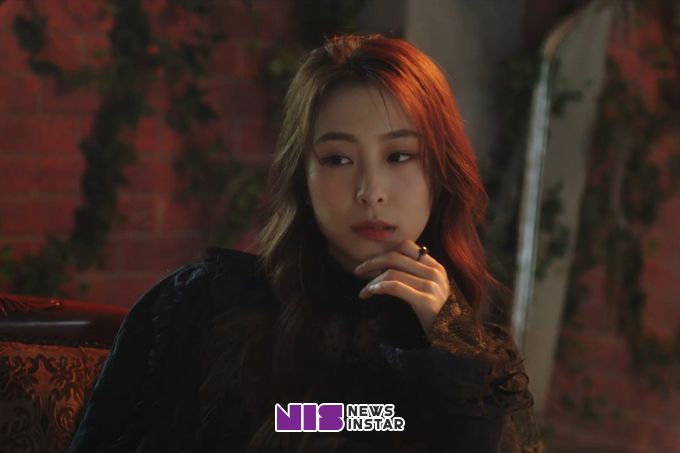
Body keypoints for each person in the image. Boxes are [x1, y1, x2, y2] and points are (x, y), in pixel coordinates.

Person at [68, 33, 546, 453]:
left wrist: (451, 352)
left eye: (400, 156)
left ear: (440, 172)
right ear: (302, 178)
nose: (370, 192)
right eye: (338, 159)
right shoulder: (204, 304)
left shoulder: (476, 362)